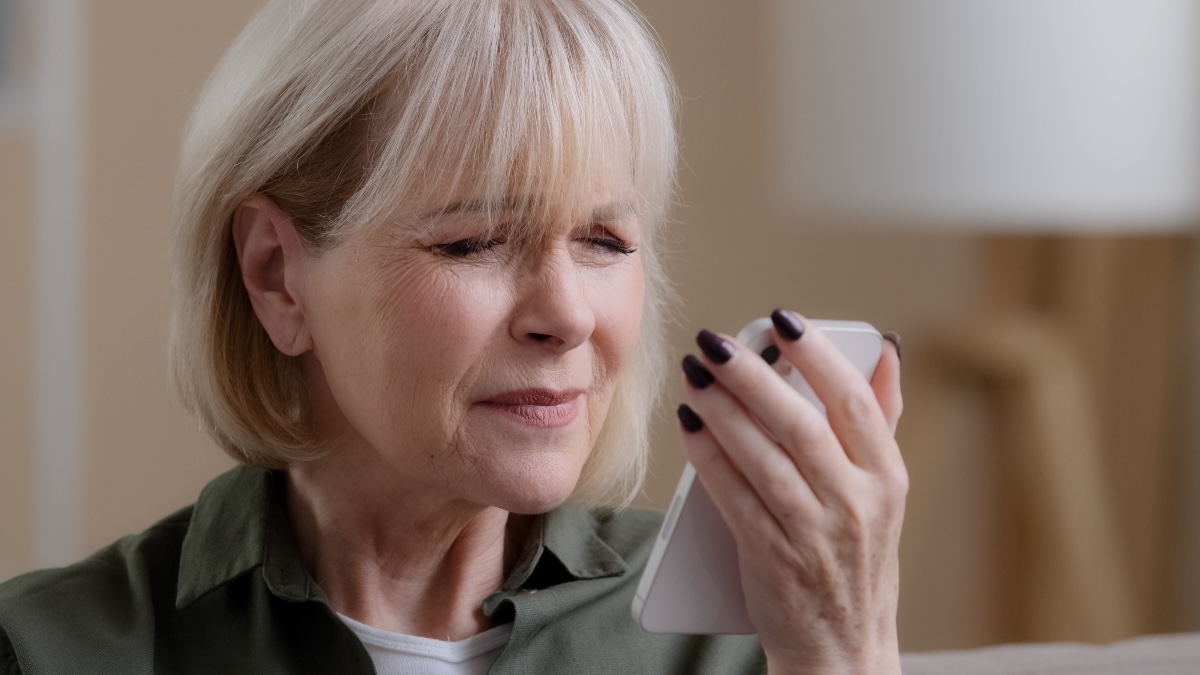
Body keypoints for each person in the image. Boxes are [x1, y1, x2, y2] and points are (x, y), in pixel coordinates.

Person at [0, 0, 906, 672]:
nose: (568, 314)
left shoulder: (748, 646)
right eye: (473, 240)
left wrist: (844, 651)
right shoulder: (48, 651)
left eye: (604, 240)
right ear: (276, 275)